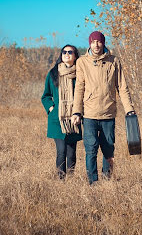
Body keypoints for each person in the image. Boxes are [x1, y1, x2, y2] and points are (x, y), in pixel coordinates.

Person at [71, 31, 136, 184]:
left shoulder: (114, 61)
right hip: (89, 114)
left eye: (99, 42)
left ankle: (107, 180)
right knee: (91, 149)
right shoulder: (82, 62)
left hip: (108, 113)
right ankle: (93, 182)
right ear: (89, 44)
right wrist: (76, 111)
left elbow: (122, 86)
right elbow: (79, 88)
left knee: (108, 149)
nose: (96, 45)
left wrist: (129, 109)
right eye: (93, 42)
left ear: (103, 43)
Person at [41, 45, 82, 179]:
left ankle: (71, 179)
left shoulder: (80, 74)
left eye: (70, 52)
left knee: (71, 153)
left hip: (74, 119)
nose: (67, 54)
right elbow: (46, 96)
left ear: (75, 55)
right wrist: (51, 108)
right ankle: (61, 180)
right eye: (64, 52)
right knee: (61, 151)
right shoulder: (53, 73)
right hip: (57, 120)